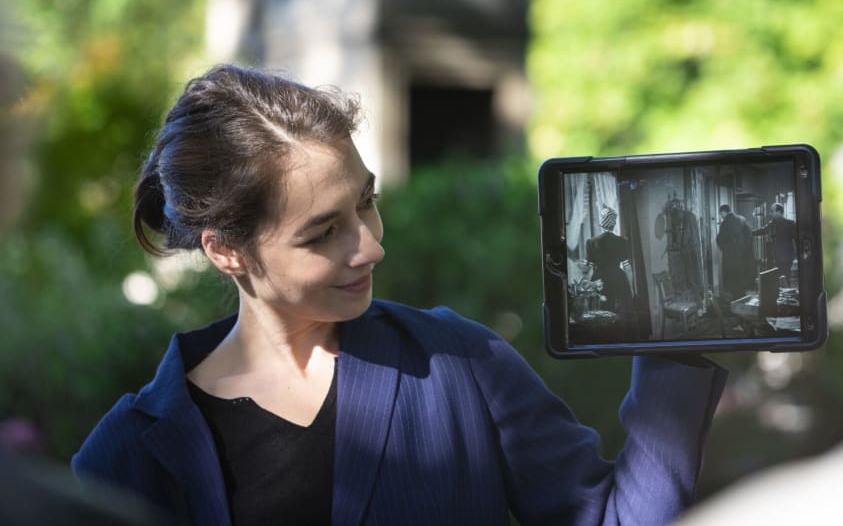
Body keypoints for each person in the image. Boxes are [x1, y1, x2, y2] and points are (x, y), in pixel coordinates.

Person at [72, 64, 727, 526]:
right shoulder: (128, 455)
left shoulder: (459, 363)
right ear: (226, 249)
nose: (371, 246)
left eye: (368, 203)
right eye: (324, 232)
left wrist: (677, 342)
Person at [716, 204, 755, 303]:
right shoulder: (742, 219)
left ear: (723, 211)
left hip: (730, 257)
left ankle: (735, 302)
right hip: (743, 256)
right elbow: (750, 235)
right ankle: (743, 298)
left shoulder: (725, 222)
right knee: (741, 277)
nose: (721, 216)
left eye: (720, 214)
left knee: (732, 279)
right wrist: (745, 249)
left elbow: (720, 240)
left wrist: (725, 248)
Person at [752, 203, 797, 285]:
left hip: (786, 257)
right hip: (775, 256)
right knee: (777, 278)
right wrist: (749, 233)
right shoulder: (772, 223)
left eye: (772, 211)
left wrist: (796, 255)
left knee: (785, 277)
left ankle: (787, 294)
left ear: (779, 212)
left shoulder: (790, 224)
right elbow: (762, 230)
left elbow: (797, 239)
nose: (770, 213)